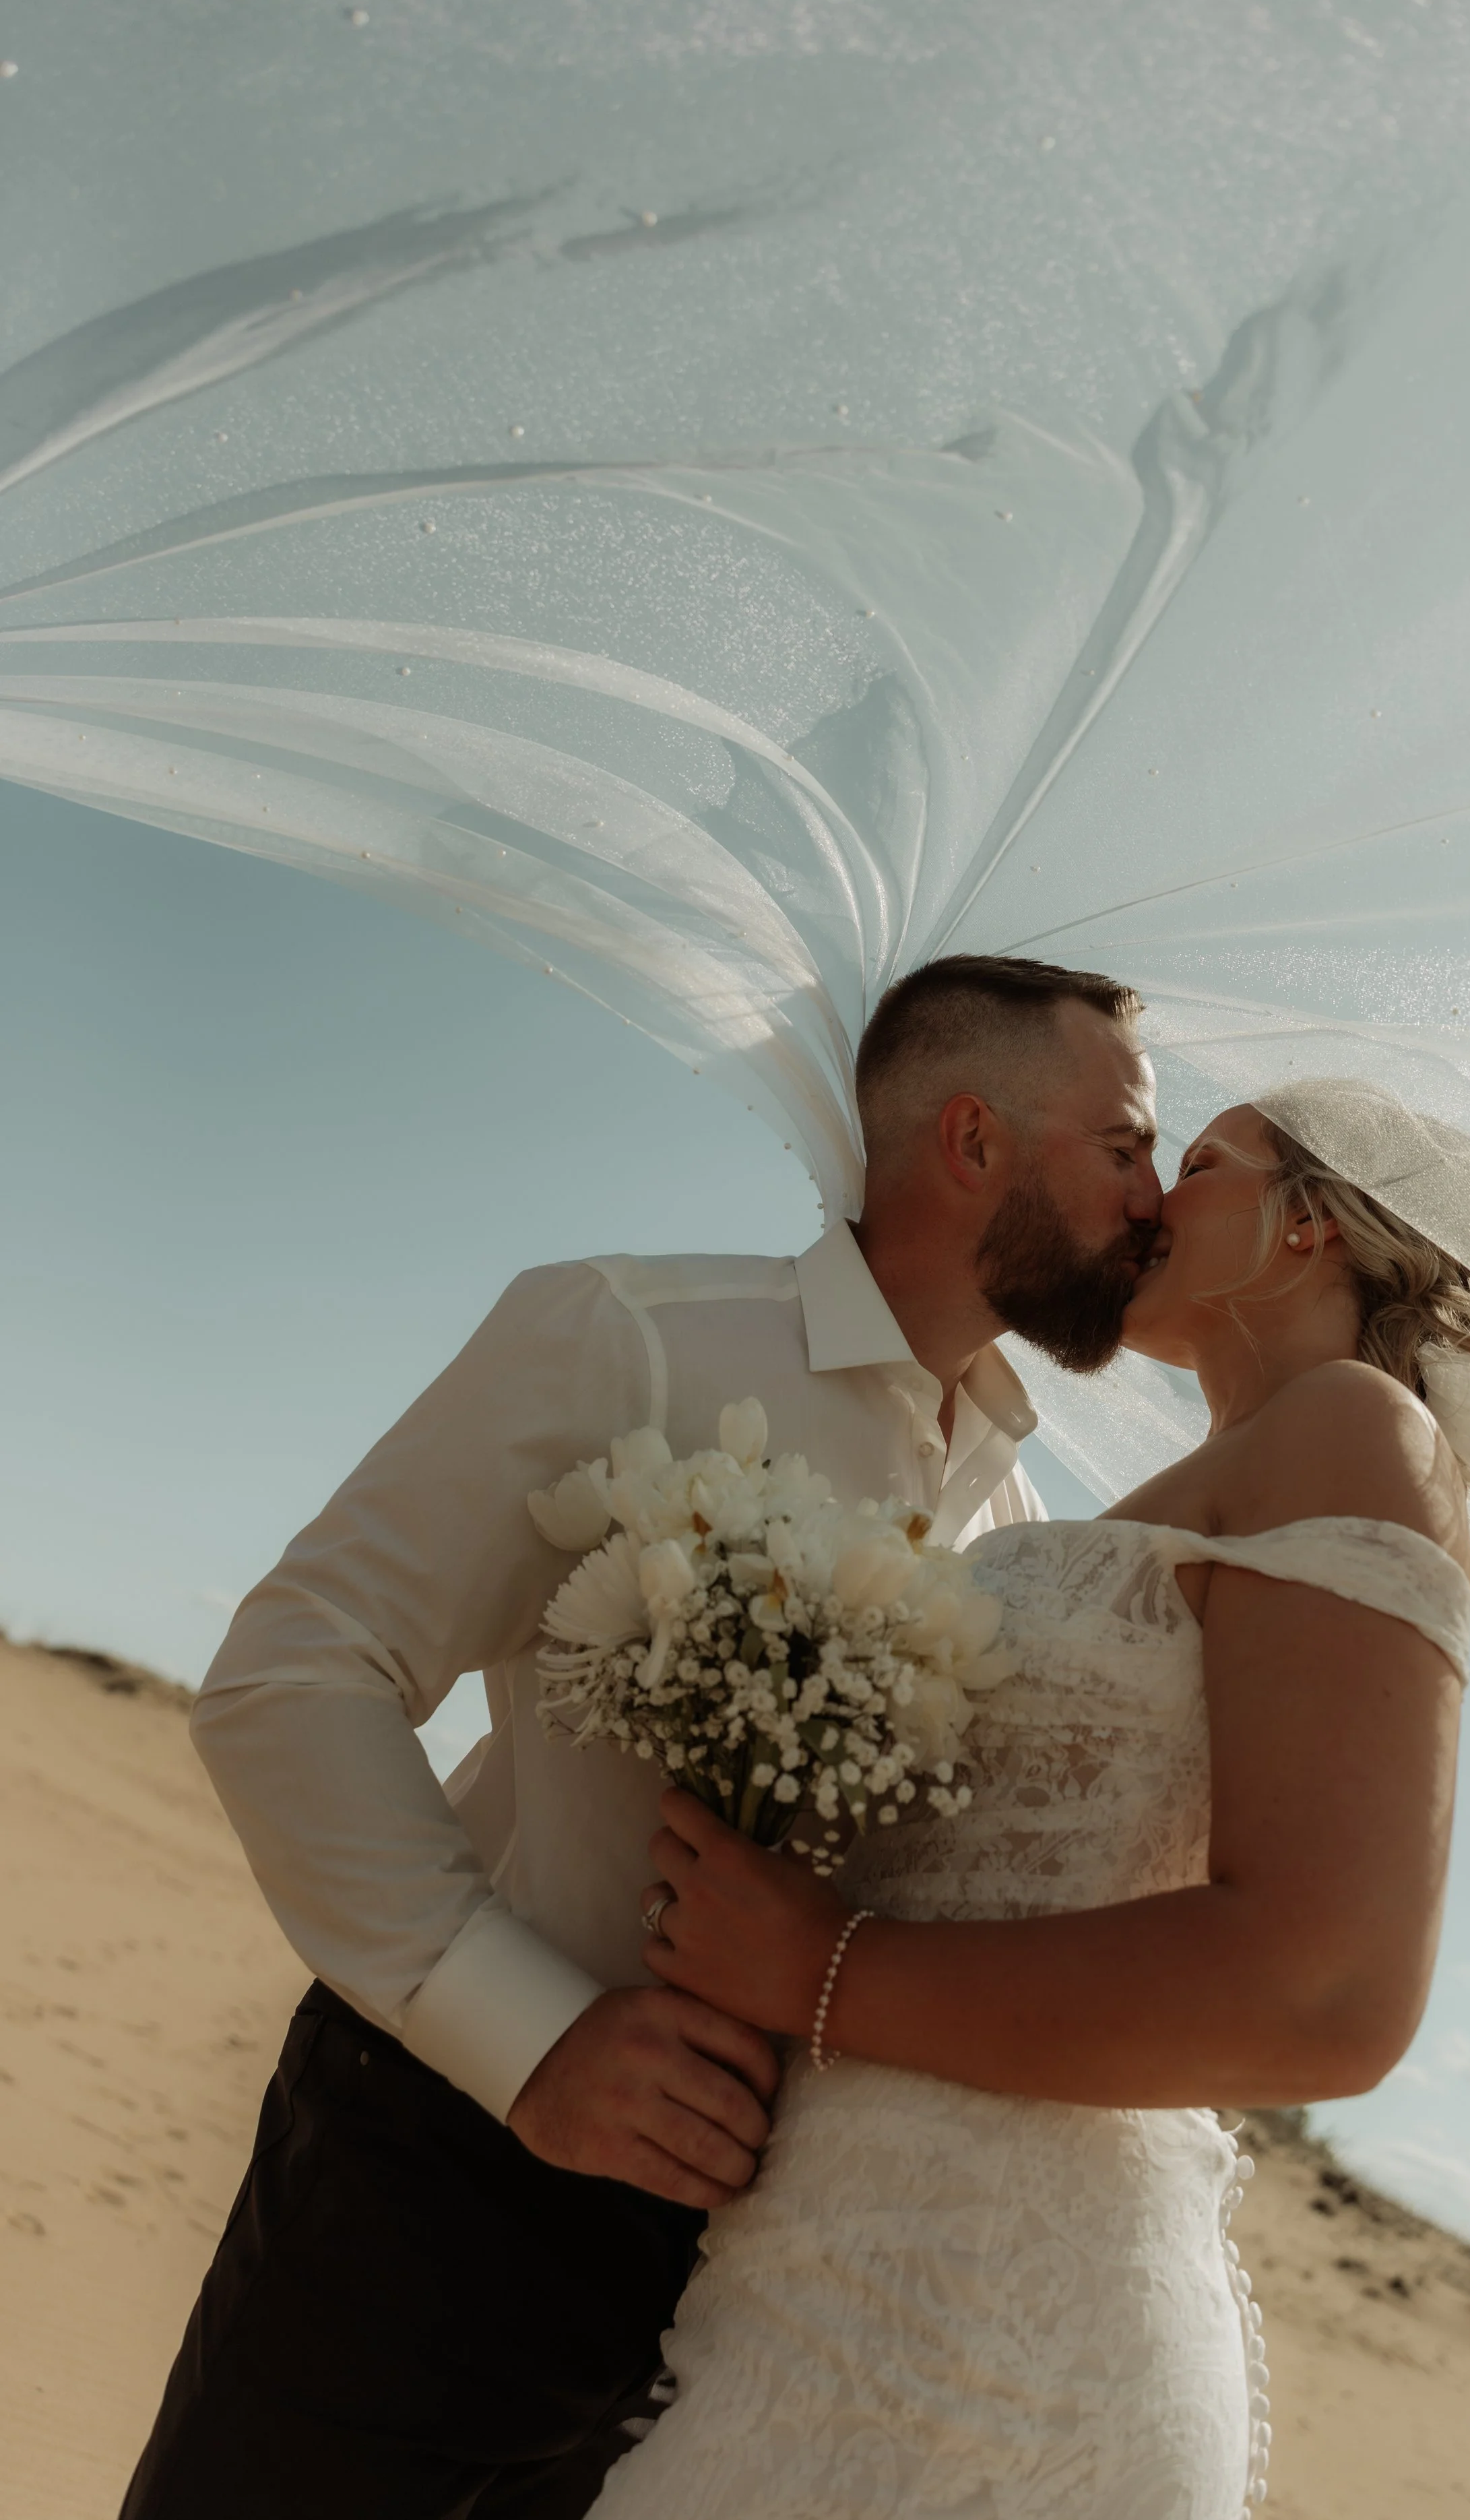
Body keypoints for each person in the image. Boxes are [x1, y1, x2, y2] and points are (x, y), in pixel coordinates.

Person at [120, 952, 1163, 2520]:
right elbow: (293, 1672)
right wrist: (527, 2036)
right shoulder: (631, 1341)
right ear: (971, 1143)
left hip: (727, 2302)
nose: (1154, 1196)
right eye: (1128, 1144)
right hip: (435, 2185)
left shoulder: (1011, 1521)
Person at [589, 1087, 1470, 2519]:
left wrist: (817, 1969)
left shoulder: (1355, 1433)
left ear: (1309, 1221)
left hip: (998, 2343)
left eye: (1203, 1164)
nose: (1152, 1199)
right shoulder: (1197, 1481)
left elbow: (1328, 1991)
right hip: (826, 2278)